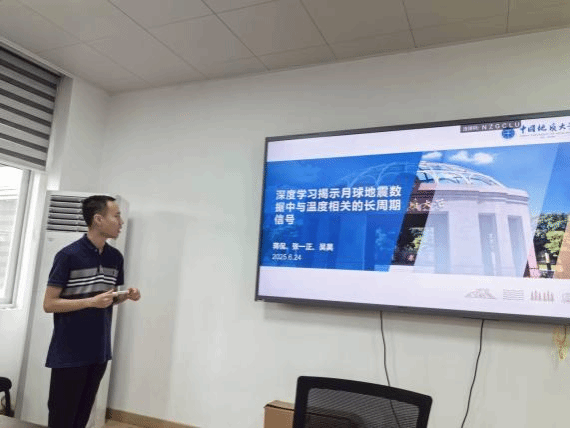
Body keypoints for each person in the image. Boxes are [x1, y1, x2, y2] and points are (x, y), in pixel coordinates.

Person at [43, 195, 140, 428]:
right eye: (116, 216)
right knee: (62, 420)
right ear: (98, 219)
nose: (121, 222)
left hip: (98, 352)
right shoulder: (68, 255)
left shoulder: (115, 257)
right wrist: (90, 302)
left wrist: (124, 296)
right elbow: (49, 304)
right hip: (69, 353)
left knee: (81, 419)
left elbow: (105, 300)